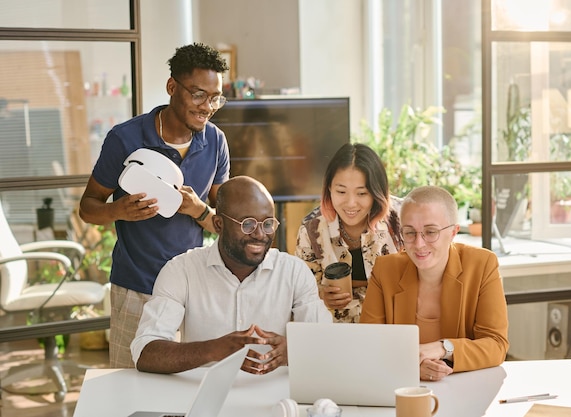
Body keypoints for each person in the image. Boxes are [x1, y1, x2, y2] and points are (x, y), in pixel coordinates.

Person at [79, 43, 231, 368]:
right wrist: (118, 211)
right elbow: (88, 207)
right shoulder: (125, 139)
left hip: (192, 291)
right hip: (136, 288)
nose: (208, 106)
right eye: (198, 94)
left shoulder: (216, 141)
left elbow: (225, 223)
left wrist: (197, 209)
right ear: (172, 87)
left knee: (187, 393)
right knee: (131, 387)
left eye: (215, 97)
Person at [130, 176, 332, 375]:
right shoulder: (181, 271)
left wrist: (292, 351)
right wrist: (214, 350)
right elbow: (145, 353)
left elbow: (325, 344)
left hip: (275, 400)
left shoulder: (294, 272)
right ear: (218, 225)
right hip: (201, 397)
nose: (260, 234)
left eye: (268, 224)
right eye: (247, 225)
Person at [360, 185, 509, 381]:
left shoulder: (482, 265)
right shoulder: (385, 270)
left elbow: (496, 345)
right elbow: (368, 344)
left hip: (465, 388)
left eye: (430, 232)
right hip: (402, 389)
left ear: (454, 232)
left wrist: (443, 348)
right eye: (410, 233)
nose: (419, 244)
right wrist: (411, 368)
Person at [295, 143, 402, 323]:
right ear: (329, 188)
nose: (351, 203)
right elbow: (301, 291)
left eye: (362, 193)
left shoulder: (401, 219)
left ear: (377, 193)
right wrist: (321, 294)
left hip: (393, 325)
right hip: (336, 333)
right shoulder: (311, 228)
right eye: (341, 191)